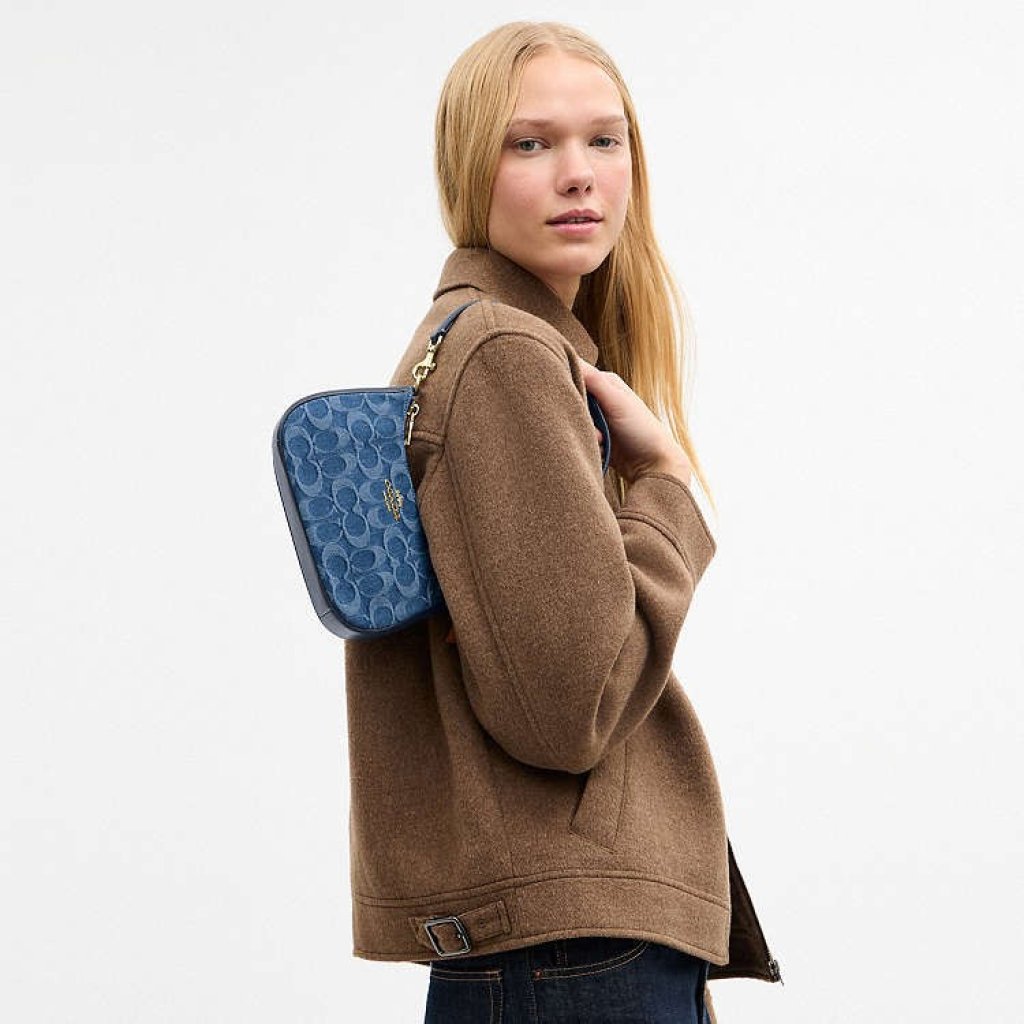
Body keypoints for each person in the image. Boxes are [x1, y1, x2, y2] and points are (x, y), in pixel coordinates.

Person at [342, 20, 783, 1023]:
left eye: (604, 138)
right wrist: (664, 487)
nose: (578, 173)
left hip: (559, 950)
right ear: (468, 168)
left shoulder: (496, 341)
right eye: (530, 142)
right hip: (574, 954)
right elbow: (568, 709)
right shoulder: (503, 352)